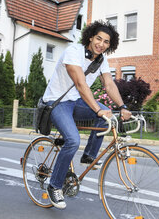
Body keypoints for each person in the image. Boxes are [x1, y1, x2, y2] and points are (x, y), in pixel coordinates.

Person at [42, 20, 132, 209]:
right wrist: (98, 109)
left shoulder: (102, 60)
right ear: (90, 37)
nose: (101, 44)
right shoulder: (73, 52)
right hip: (58, 101)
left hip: (78, 102)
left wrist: (123, 106)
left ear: (110, 45)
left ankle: (88, 156)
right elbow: (81, 85)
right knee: (73, 140)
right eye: (99, 38)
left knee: (107, 117)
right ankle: (54, 186)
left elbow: (109, 84)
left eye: (106, 42)